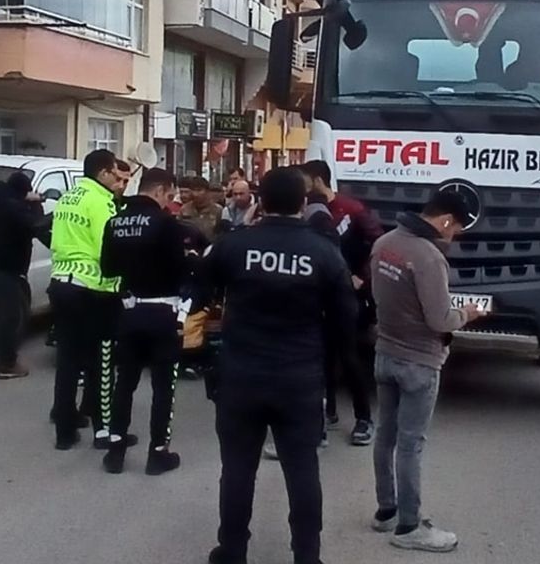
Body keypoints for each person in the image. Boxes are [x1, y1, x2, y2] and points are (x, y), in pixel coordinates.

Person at [199, 167, 358, 564]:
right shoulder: (324, 252)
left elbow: (201, 294)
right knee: (302, 469)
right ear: (303, 203)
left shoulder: (234, 245)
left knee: (237, 469)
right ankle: (307, 555)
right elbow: (346, 321)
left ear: (260, 202)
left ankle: (232, 549)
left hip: (241, 375)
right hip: (298, 377)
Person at [369, 190, 482, 552]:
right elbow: (440, 319)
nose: (454, 235)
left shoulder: (385, 243)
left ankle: (386, 510)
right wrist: (468, 313)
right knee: (410, 444)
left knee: (385, 435)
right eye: (456, 228)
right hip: (419, 361)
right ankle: (409, 527)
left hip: (385, 353)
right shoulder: (429, 257)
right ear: (445, 220)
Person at [99, 167, 189, 476]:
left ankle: (115, 451)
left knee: (124, 382)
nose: (170, 201)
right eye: (169, 195)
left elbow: (108, 269)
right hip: (162, 312)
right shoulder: (167, 224)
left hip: (129, 311)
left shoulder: (115, 222)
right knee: (163, 386)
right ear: (160, 190)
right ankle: (157, 453)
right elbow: (180, 270)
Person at [48, 149, 126, 450]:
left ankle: (64, 431)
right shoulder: (101, 201)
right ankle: (102, 429)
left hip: (61, 284)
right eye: (114, 173)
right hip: (93, 289)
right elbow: (109, 246)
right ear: (103, 172)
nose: (117, 180)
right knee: (99, 363)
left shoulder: (69, 197)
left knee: (67, 362)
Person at [300, 160, 380, 447]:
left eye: (304, 180)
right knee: (320, 357)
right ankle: (326, 412)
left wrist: (362, 277)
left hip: (346, 296)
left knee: (349, 357)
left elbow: (378, 244)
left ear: (317, 180)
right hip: (314, 295)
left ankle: (364, 419)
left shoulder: (352, 209)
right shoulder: (306, 211)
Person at [0, 170, 48, 379]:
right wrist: (37, 205)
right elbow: (35, 225)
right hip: (5, 268)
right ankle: (8, 363)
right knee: (11, 316)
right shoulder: (14, 208)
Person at [179, 176, 223, 242]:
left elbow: (222, 234)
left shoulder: (218, 210)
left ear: (207, 191)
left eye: (199, 190)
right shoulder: (184, 209)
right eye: (193, 190)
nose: (195, 194)